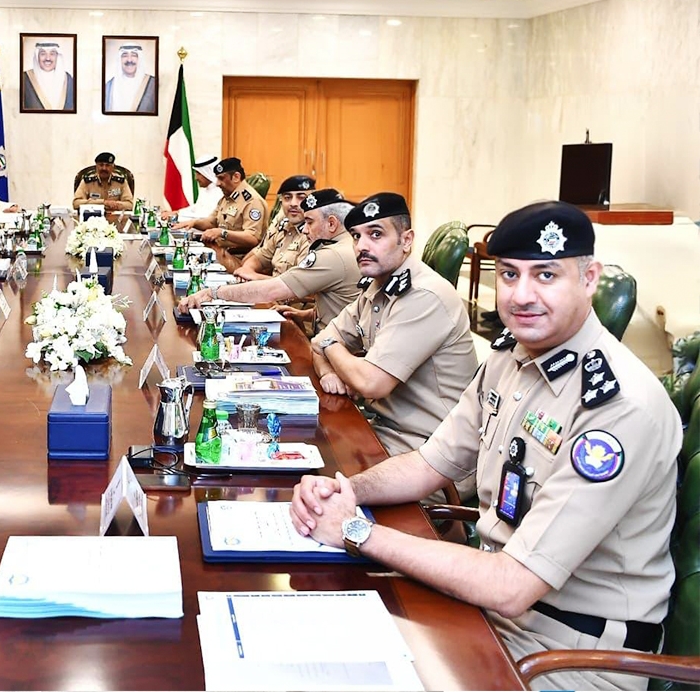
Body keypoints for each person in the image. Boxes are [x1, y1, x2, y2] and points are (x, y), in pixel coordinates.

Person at [289, 200, 680, 692]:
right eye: (510, 275)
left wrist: (354, 531)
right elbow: (429, 464)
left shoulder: (617, 408)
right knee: (313, 644)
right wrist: (344, 490)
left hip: (574, 655)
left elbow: (511, 585)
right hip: (491, 613)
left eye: (546, 275)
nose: (522, 296)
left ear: (589, 279)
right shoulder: (510, 359)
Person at [310, 192, 478, 464]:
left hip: (429, 449)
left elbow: (369, 382)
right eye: (356, 236)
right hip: (382, 430)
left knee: (313, 469)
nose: (361, 246)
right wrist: (329, 371)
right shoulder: (377, 285)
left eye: (376, 234)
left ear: (406, 240)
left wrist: (330, 347)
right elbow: (318, 341)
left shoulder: (425, 295)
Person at [180, 188, 360, 332]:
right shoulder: (347, 245)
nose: (305, 230)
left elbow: (272, 291)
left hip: (335, 349)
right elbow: (343, 305)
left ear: (331, 223)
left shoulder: (332, 255)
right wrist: (305, 314)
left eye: (310, 222)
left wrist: (212, 293)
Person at [175, 157, 267, 256]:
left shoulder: (252, 201)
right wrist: (193, 223)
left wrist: (222, 233)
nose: (217, 183)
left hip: (240, 257)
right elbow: (211, 222)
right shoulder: (227, 197)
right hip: (221, 252)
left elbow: (252, 238)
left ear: (236, 177)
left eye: (221, 178)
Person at [233, 174, 316, 281]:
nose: (293, 203)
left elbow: (299, 284)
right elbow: (261, 257)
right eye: (287, 198)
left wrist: (255, 277)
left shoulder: (313, 234)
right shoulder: (283, 227)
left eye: (301, 197)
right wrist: (247, 270)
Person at [164, 155, 224, 221]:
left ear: (208, 173)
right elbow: (196, 208)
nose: (196, 178)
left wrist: (176, 216)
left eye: (199, 173)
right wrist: (177, 212)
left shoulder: (220, 192)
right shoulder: (205, 189)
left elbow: (206, 217)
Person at [21, 41, 75, 111]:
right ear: (37, 57)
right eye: (43, 54)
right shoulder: (25, 78)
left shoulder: (68, 79)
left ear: (57, 56)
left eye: (52, 54)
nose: (48, 58)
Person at [104, 43, 156, 113]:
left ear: (140, 59)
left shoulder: (152, 84)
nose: (129, 60)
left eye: (134, 55)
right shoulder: (109, 86)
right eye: (125, 55)